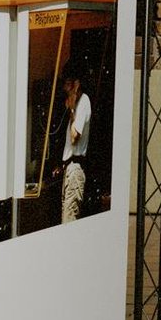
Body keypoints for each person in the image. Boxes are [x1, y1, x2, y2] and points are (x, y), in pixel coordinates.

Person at [60, 64, 92, 223]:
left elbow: (74, 137)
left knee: (69, 217)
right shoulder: (78, 104)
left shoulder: (84, 102)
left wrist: (72, 110)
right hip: (68, 168)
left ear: (76, 84)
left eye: (67, 84)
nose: (65, 88)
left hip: (75, 168)